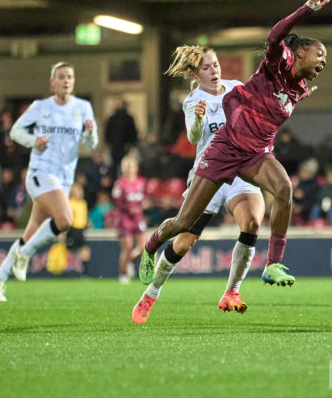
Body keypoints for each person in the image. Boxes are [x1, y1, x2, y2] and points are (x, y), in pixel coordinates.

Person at [135, 0, 331, 313]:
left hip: (255, 155)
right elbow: (274, 36)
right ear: (298, 54)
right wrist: (306, 8)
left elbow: (271, 104)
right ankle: (152, 244)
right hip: (222, 152)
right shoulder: (275, 63)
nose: (324, 60)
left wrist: (297, 97)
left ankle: (269, 267)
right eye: (320, 54)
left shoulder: (294, 86)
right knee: (183, 227)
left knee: (282, 191)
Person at [132, 44, 266, 322]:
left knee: (252, 221)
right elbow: (194, 138)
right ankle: (150, 293)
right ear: (195, 74)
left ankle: (232, 292)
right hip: (209, 173)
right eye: (206, 67)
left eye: (215, 64)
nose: (214, 70)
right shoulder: (194, 101)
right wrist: (199, 119)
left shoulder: (236, 88)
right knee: (183, 242)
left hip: (240, 170)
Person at [0, 62, 97, 301]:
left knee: (31, 232)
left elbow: (90, 145)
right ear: (52, 82)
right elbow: (15, 132)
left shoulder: (83, 107)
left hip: (63, 179)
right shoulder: (41, 107)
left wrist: (90, 133)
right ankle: (24, 254)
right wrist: (33, 140)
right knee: (65, 219)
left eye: (70, 77)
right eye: (61, 77)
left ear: (73, 81)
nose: (66, 80)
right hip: (40, 172)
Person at [112, 155, 146, 283]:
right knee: (127, 246)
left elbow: (144, 198)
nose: (130, 169)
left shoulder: (141, 182)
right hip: (124, 218)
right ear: (123, 168)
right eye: (127, 167)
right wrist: (128, 208)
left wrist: (142, 205)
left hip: (138, 217)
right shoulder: (119, 184)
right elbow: (116, 202)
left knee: (143, 247)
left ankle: (129, 261)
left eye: (132, 166)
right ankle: (123, 273)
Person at [104, 97, 138, 175]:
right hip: (114, 147)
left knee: (126, 165)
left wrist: (131, 144)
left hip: (125, 147)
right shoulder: (111, 118)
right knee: (114, 167)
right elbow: (108, 132)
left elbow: (133, 132)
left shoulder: (129, 118)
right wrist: (108, 144)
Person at [67, 182, 91, 277]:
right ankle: (66, 272)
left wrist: (87, 224)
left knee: (85, 250)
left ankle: (85, 273)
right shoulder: (70, 203)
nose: (81, 192)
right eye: (78, 190)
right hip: (72, 229)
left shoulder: (83, 203)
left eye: (81, 190)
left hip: (81, 230)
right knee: (70, 251)